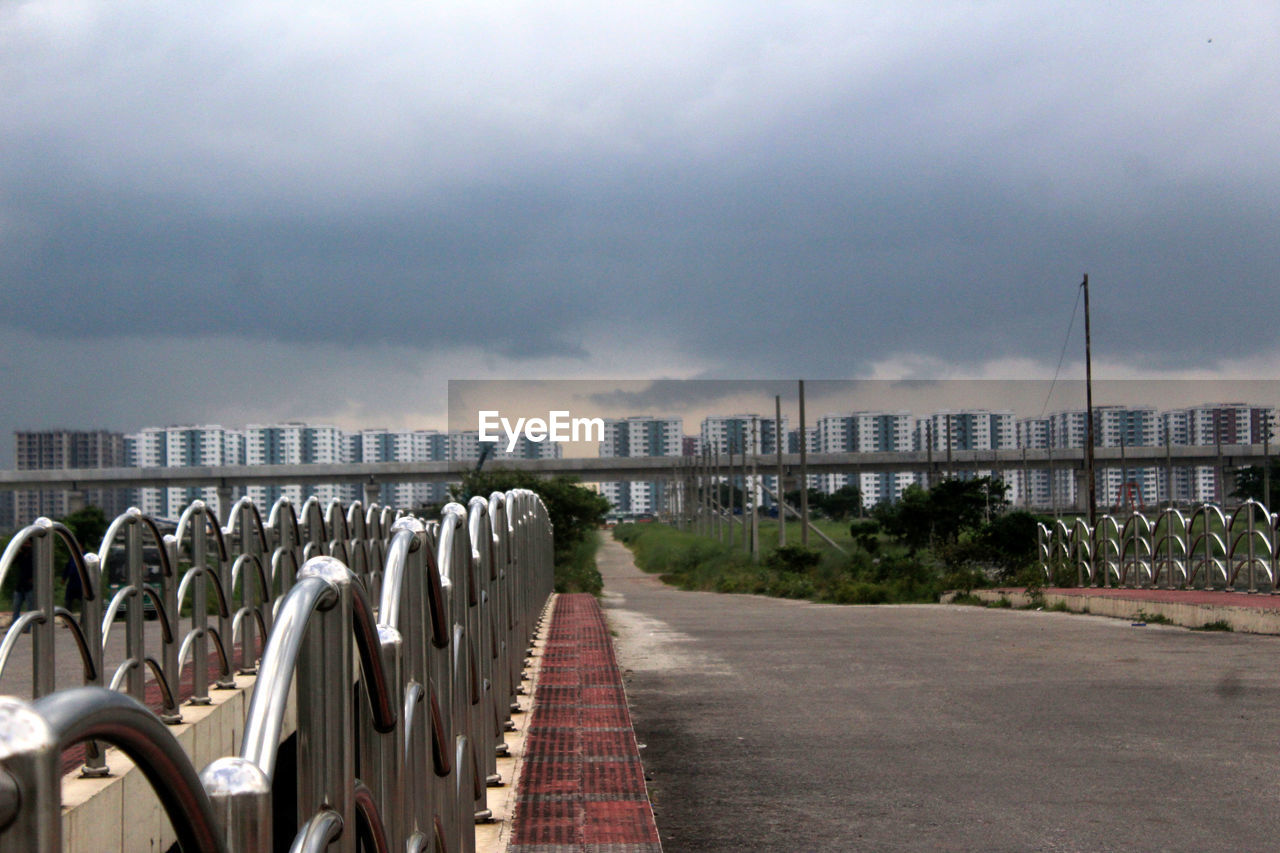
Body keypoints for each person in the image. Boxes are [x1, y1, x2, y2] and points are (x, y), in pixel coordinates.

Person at [10, 539, 34, 628]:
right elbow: (12, 562)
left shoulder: (34, 555)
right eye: (24, 543)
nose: (26, 545)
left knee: (29, 608)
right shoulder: (21, 555)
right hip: (20, 585)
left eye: (27, 543)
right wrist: (18, 551)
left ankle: (27, 627)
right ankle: (14, 627)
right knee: (16, 607)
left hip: (30, 586)